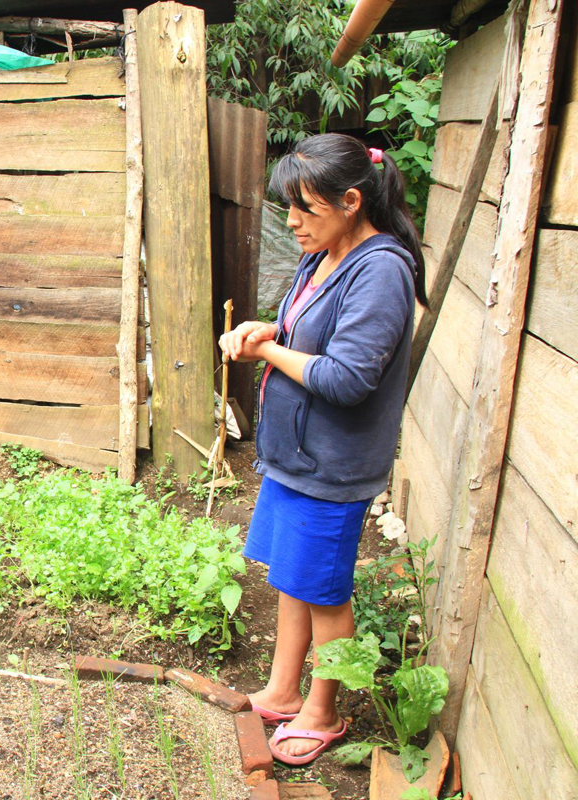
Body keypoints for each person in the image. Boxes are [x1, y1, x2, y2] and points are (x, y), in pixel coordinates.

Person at [219, 134, 427, 766]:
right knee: (293, 576)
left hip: (332, 464)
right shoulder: (326, 255)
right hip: (296, 456)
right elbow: (313, 324)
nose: (291, 221)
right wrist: (272, 327)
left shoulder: (382, 269)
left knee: (326, 593)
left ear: (351, 201)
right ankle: (284, 691)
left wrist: (266, 352)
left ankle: (324, 711)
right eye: (289, 205)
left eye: (304, 207)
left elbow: (346, 377)